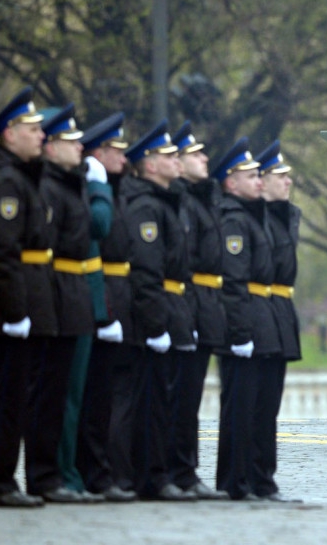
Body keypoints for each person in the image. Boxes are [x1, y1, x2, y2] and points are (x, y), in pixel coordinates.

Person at [0, 87, 51, 508]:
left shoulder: (19, 177)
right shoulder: (5, 182)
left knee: (16, 397)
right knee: (8, 398)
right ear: (9, 133)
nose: (41, 136)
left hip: (26, 298)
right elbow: (2, 254)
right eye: (32, 129)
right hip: (11, 303)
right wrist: (15, 312)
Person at [35, 105, 108, 504]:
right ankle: (55, 475)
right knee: (54, 396)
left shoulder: (69, 182)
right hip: (57, 293)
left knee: (71, 396)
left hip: (73, 293)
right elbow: (93, 228)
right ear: (49, 145)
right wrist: (100, 192)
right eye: (69, 139)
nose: (79, 145)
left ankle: (66, 473)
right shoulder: (52, 186)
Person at [122, 120, 196, 501]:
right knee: (152, 403)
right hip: (158, 311)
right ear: (149, 165)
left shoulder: (166, 202)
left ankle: (161, 473)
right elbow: (147, 271)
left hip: (172, 307)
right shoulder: (147, 207)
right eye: (168, 156)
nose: (176, 161)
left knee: (168, 401)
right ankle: (151, 476)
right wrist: (156, 324)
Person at [75, 112, 138, 502]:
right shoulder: (96, 187)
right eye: (116, 149)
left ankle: (105, 472)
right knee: (95, 396)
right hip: (102, 294)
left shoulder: (117, 188)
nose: (124, 156)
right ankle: (94, 472)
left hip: (116, 294)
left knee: (105, 397)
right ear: (98, 152)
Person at [214, 137, 280, 501]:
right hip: (243, 324)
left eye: (259, 174)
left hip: (262, 319)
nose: (258, 180)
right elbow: (234, 282)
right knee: (240, 409)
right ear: (230, 182)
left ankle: (258, 479)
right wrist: (239, 332)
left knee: (261, 408)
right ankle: (235, 481)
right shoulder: (233, 220)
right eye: (249, 175)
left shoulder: (254, 216)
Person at [166, 122, 229, 500]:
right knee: (177, 397)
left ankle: (185, 471)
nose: (205, 158)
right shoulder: (182, 200)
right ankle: (174, 471)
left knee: (189, 399)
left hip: (203, 306)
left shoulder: (201, 198)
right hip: (185, 305)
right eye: (195, 154)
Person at [252, 140, 301, 502]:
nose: (288, 182)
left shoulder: (286, 215)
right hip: (256, 314)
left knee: (269, 407)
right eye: (279, 176)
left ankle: (264, 479)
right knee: (249, 406)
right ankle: (246, 478)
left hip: (279, 313)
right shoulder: (254, 218)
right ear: (261, 180)